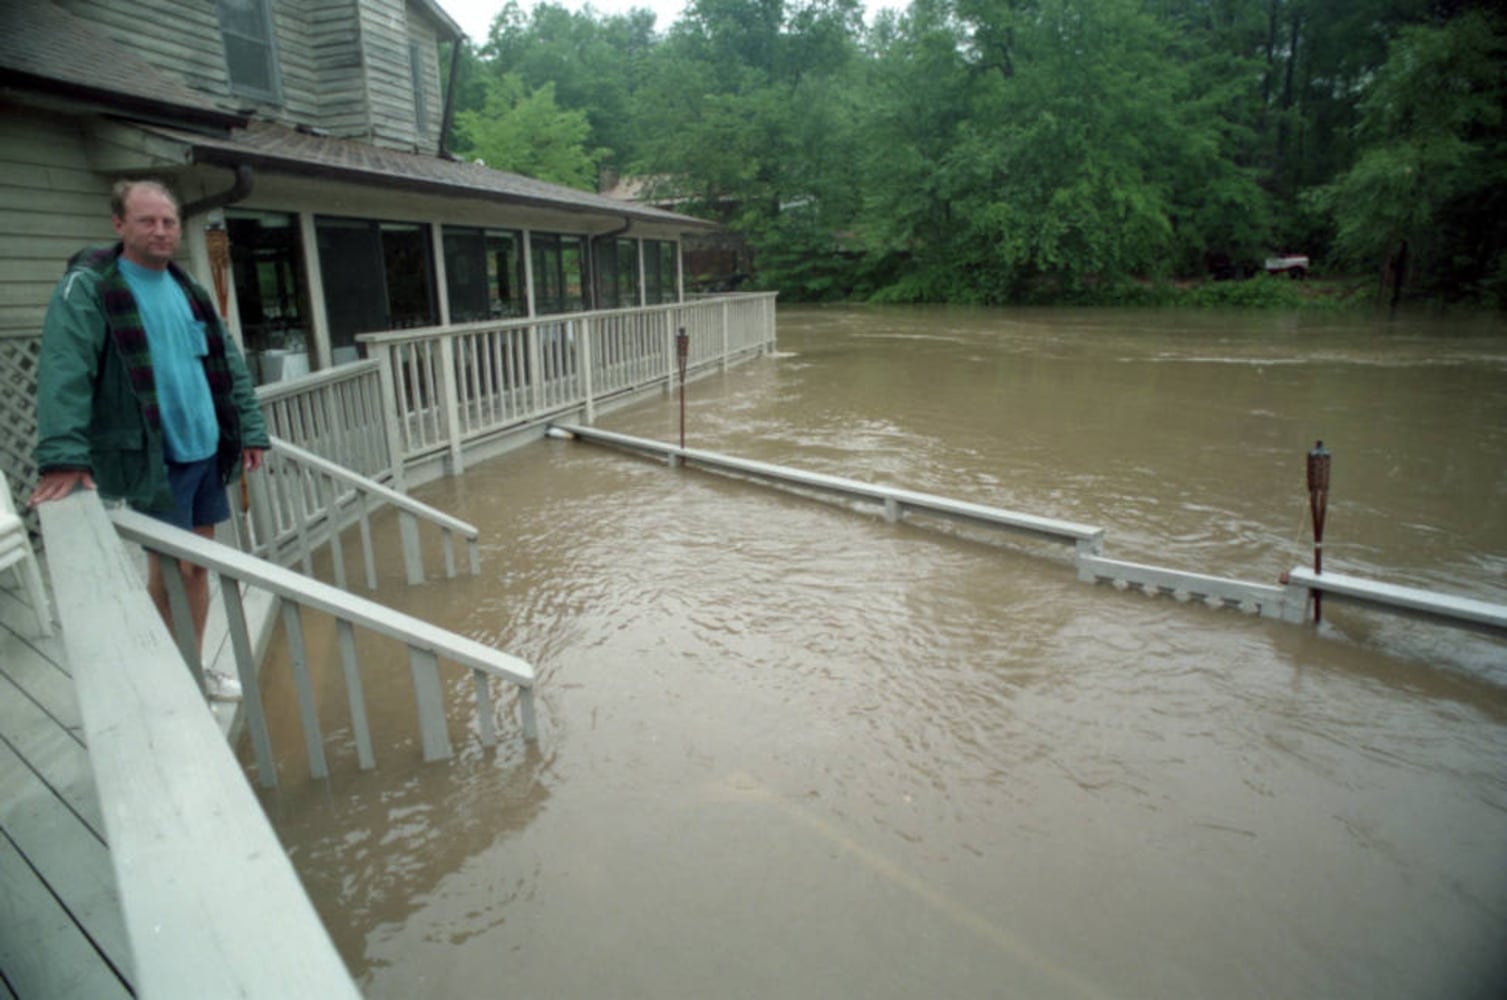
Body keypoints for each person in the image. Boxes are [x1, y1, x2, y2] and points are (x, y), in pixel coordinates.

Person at [28, 178, 269, 700]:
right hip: (155, 456)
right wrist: (63, 456)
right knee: (173, 570)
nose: (161, 231)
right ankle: (173, 674)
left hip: (206, 448)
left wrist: (250, 429)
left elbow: (228, 363)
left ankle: (191, 667)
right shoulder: (91, 287)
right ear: (120, 225)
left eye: (168, 222)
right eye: (147, 221)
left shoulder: (189, 290)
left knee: (197, 569)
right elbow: (64, 369)